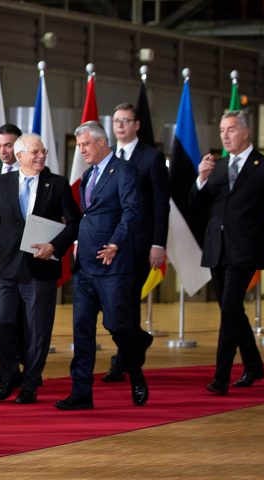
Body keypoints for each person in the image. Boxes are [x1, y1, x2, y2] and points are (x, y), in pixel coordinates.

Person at [55, 121, 147, 410]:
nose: (81, 150)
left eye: (85, 144)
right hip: (85, 266)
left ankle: (136, 374)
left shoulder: (123, 171)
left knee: (117, 325)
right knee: (82, 330)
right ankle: (81, 391)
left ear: (102, 142)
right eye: (79, 145)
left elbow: (132, 211)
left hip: (113, 265)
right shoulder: (86, 175)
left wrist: (116, 243)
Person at [0, 133, 80, 403]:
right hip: (5, 267)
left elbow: (74, 222)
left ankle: (29, 384)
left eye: (43, 151)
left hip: (40, 269)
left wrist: (55, 246)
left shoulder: (57, 184)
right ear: (19, 156)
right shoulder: (0, 183)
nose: (41, 156)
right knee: (1, 321)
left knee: (38, 329)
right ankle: (8, 375)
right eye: (35, 152)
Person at [190, 110, 264, 394]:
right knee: (231, 309)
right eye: (222, 130)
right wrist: (200, 178)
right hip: (217, 247)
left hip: (245, 249)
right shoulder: (218, 166)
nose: (225, 135)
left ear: (245, 131)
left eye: (231, 129)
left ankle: (221, 376)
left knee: (230, 310)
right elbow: (197, 205)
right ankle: (254, 365)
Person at [103, 103, 169, 383]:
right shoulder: (107, 157)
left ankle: (123, 360)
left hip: (139, 244)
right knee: (115, 305)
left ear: (137, 125)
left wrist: (158, 243)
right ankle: (138, 340)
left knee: (126, 302)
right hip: (110, 243)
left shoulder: (151, 158)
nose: (120, 126)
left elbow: (160, 204)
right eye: (116, 121)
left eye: (126, 121)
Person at [0, 123, 22, 387]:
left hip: (32, 261)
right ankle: (7, 371)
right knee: (0, 318)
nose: (2, 151)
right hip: (1, 259)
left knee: (27, 320)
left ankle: (28, 370)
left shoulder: (39, 174)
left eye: (8, 145)